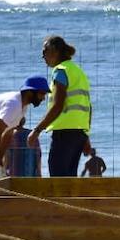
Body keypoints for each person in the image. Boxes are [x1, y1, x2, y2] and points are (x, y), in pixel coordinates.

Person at [32, 35, 94, 177]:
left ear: (54, 51)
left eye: (44, 52)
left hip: (64, 133)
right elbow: (88, 107)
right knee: (69, 179)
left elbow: (58, 105)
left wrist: (37, 130)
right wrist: (86, 136)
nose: (43, 57)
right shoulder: (79, 72)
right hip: (79, 133)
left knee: (58, 178)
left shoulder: (60, 71)